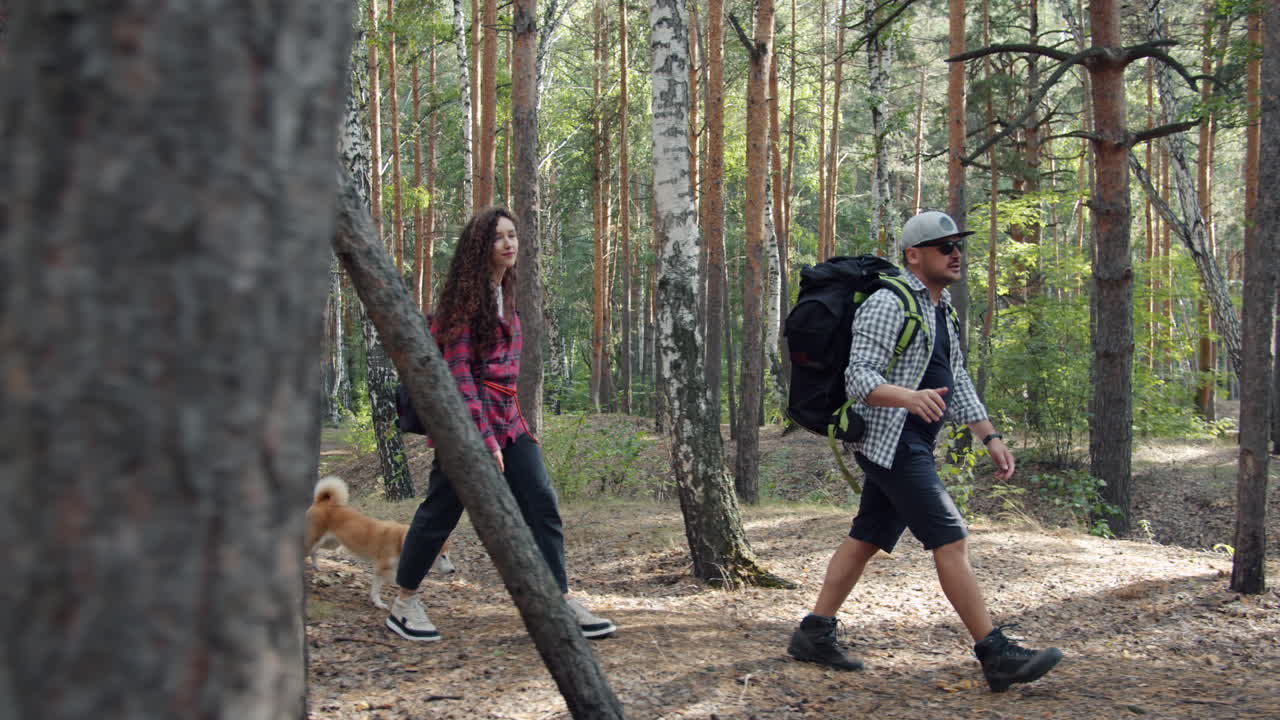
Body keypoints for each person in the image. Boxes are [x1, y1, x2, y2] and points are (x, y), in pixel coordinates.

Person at [785, 211, 1062, 692]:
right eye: (943, 246)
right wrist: (907, 396)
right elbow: (860, 378)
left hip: (912, 440)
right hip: (890, 440)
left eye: (958, 245)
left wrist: (990, 436)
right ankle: (994, 653)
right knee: (950, 538)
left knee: (867, 536)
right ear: (914, 255)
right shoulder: (888, 303)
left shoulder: (943, 308)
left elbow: (957, 379)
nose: (955, 253)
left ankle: (813, 633)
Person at [386, 206, 616, 642]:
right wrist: (483, 438)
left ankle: (559, 600)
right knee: (441, 511)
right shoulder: (461, 303)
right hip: (465, 426)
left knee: (541, 504)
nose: (509, 243)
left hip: (509, 420)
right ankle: (404, 602)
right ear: (480, 248)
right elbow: (458, 376)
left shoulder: (505, 295)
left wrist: (512, 427)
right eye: (499, 238)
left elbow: (504, 378)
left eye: (513, 235)